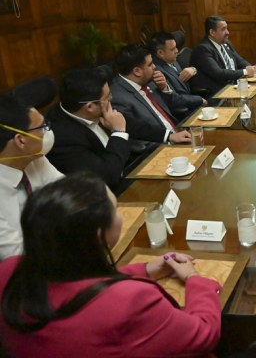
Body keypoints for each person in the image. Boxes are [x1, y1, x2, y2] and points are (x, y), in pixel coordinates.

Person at [0, 173, 221, 356]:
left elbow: (72, 284)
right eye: (115, 209)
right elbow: (204, 334)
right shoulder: (131, 302)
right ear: (99, 234)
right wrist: (196, 281)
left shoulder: (9, 269)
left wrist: (142, 271)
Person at [46, 68, 131, 193]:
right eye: (108, 97)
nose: (111, 99)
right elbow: (107, 178)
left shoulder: (91, 110)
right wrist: (118, 132)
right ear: (90, 106)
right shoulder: (62, 139)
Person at [0, 95, 63, 260]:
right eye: (42, 127)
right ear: (21, 140)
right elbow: (15, 258)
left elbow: (75, 192)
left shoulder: (35, 160)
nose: (47, 132)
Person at [110, 44, 191, 149]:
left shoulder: (148, 80)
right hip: (163, 148)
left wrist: (164, 88)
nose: (154, 67)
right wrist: (170, 142)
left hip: (179, 133)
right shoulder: (118, 98)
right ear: (137, 71)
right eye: (150, 64)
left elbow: (175, 104)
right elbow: (136, 140)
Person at [191, 15, 255, 94]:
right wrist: (245, 72)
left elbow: (240, 61)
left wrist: (250, 68)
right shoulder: (203, 49)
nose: (228, 32)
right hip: (218, 91)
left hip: (234, 86)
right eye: (223, 29)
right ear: (212, 32)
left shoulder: (226, 43)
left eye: (227, 28)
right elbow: (218, 73)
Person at [150, 32, 206, 119]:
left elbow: (186, 80)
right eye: (173, 49)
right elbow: (174, 99)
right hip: (183, 113)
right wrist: (199, 100)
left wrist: (193, 70)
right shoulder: (156, 71)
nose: (177, 51)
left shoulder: (172, 60)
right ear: (160, 53)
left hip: (191, 104)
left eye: (176, 47)